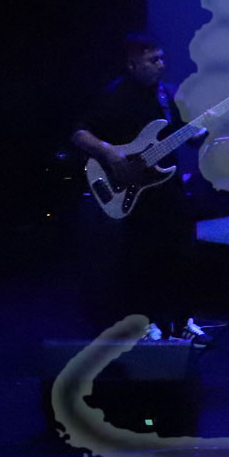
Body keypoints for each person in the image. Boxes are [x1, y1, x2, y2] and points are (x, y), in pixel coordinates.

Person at [70, 33, 199, 338]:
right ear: (132, 64)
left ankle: (183, 321)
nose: (161, 64)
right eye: (153, 60)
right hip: (134, 192)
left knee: (183, 255)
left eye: (162, 58)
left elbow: (189, 136)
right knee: (142, 258)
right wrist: (108, 152)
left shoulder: (169, 95)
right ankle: (145, 323)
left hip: (169, 188)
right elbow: (78, 133)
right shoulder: (112, 95)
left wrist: (200, 132)